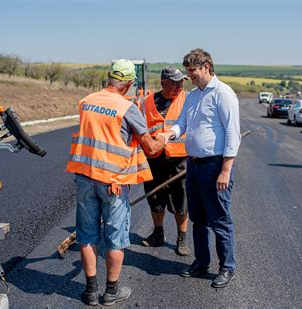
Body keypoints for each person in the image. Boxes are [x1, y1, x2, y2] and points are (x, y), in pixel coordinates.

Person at [65, 59, 166, 306]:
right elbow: (151, 149)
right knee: (115, 237)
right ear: (129, 84)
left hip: (84, 178)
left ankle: (90, 291)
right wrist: (163, 138)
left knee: (87, 235)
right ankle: (111, 291)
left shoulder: (86, 102)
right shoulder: (127, 108)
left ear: (109, 77)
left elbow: (98, 137)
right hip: (113, 183)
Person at [159, 48, 241, 288]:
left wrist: (226, 170)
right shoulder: (193, 95)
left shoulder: (223, 94)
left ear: (206, 67)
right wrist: (168, 134)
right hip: (193, 165)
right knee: (198, 218)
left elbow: (232, 134)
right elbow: (182, 123)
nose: (190, 76)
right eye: (188, 71)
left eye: (192, 71)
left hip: (215, 166)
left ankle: (227, 267)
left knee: (220, 219)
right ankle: (201, 261)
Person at [139, 65, 190, 256]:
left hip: (180, 158)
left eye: (181, 82)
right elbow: (139, 129)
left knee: (181, 200)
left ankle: (182, 237)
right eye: (175, 83)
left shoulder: (187, 100)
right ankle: (158, 233)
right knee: (154, 197)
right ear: (163, 83)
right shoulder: (146, 103)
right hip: (154, 159)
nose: (179, 86)